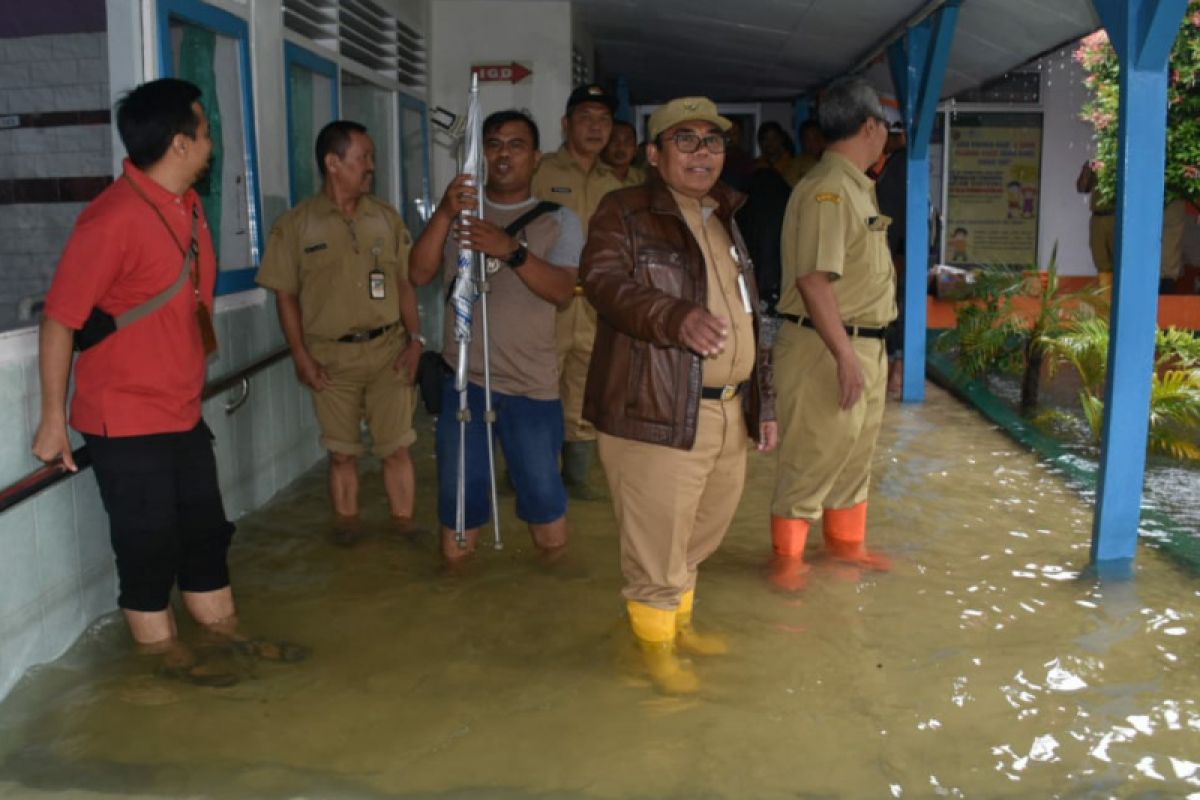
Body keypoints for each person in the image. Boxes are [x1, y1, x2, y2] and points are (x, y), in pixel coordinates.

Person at [32, 78, 303, 687]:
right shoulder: (110, 220)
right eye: (206, 132)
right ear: (180, 143)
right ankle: (163, 660)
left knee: (206, 533)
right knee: (149, 547)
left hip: (180, 411)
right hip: (124, 419)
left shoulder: (189, 205)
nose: (213, 142)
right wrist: (53, 417)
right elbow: (60, 321)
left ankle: (225, 636)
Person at [583, 97, 778, 694]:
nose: (702, 152)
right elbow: (602, 282)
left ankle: (676, 627)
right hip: (657, 406)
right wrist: (674, 317)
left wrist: (763, 403)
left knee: (699, 536)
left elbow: (751, 317)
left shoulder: (725, 215)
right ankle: (654, 655)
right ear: (653, 153)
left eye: (713, 141)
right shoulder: (624, 211)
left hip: (726, 408)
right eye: (685, 140)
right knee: (656, 548)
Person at [408, 110, 583, 563]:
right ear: (481, 154)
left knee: (546, 510)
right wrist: (446, 212)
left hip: (532, 387)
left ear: (536, 157)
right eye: (494, 144)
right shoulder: (459, 214)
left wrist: (512, 251)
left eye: (516, 144)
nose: (503, 154)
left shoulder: (559, 220)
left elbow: (563, 292)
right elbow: (418, 271)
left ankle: (549, 600)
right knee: (460, 517)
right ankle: (458, 607)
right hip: (465, 385)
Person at [257, 120, 422, 544]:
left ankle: (404, 529)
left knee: (398, 448)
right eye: (363, 157)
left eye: (371, 158)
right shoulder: (296, 226)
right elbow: (285, 297)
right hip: (330, 358)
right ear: (333, 163)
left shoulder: (385, 218)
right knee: (342, 454)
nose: (371, 166)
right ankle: (348, 531)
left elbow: (405, 282)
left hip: (389, 351)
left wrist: (415, 341)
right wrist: (301, 357)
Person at [769, 77, 898, 591]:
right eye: (885, 128)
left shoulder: (855, 186)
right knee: (811, 463)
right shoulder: (829, 189)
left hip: (859, 344)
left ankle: (848, 552)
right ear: (870, 126)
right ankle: (787, 569)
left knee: (852, 462)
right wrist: (845, 357)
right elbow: (813, 280)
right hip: (826, 346)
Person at [532, 84, 624, 500]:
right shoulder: (540, 171)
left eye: (603, 120)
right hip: (544, 301)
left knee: (587, 392)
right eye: (586, 117)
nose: (595, 127)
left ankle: (577, 484)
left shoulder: (616, 183)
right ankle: (529, 475)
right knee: (535, 386)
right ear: (566, 124)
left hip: (596, 305)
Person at [873, 115, 908, 398]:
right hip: (894, 252)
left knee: (897, 311)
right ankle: (895, 370)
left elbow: (889, 217)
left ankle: (897, 372)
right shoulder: (892, 166)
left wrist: (890, 250)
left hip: (896, 254)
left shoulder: (901, 165)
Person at [754, 120, 805, 186]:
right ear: (760, 142)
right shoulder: (756, 165)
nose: (769, 143)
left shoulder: (794, 163)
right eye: (765, 138)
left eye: (774, 138)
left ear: (781, 139)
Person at [601, 119, 645, 186]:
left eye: (627, 142)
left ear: (635, 150)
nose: (621, 147)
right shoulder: (593, 176)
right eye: (614, 141)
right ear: (603, 145)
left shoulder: (642, 179)